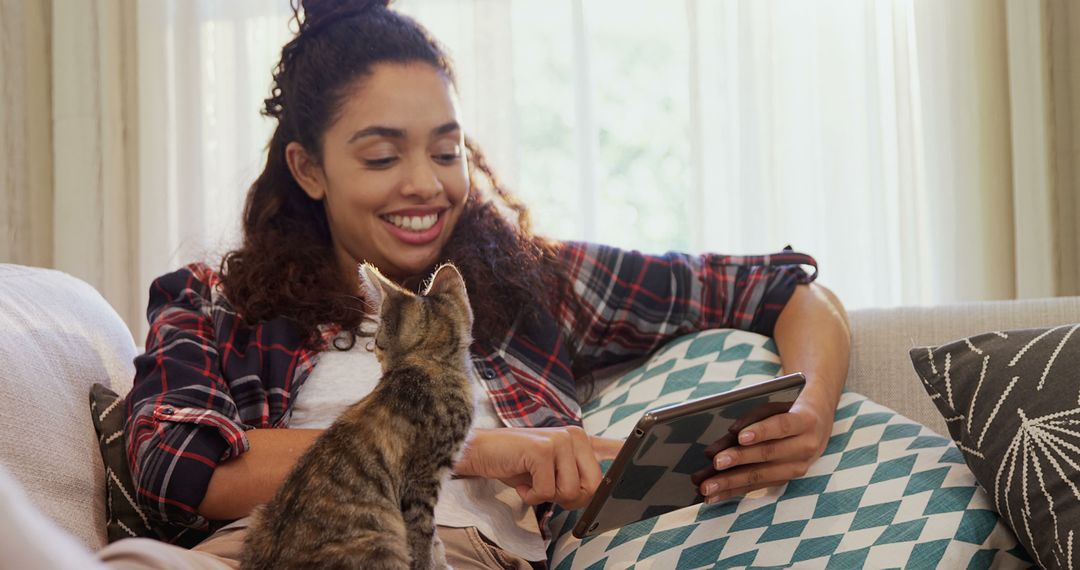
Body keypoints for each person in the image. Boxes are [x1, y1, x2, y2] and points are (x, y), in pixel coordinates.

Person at [97, 0, 851, 568]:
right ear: (309, 169)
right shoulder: (214, 302)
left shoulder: (534, 283)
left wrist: (811, 407)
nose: (425, 186)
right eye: (383, 157)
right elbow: (178, 464)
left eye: (446, 150)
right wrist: (474, 447)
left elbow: (787, 290)